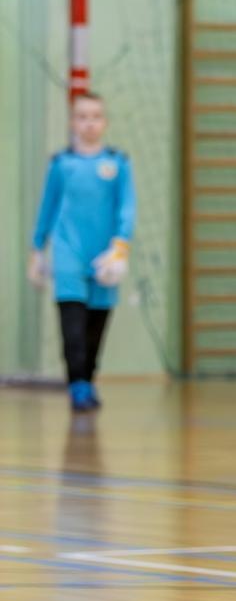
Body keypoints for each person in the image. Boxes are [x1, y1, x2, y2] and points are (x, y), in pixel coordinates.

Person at [28, 92, 136, 412]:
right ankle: (76, 386)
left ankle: (88, 379)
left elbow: (127, 207)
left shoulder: (118, 163)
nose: (89, 123)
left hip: (104, 257)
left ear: (105, 122)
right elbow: (47, 207)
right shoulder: (61, 164)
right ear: (72, 122)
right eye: (82, 117)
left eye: (95, 117)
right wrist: (37, 250)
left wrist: (120, 247)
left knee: (95, 326)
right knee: (72, 326)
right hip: (67, 253)